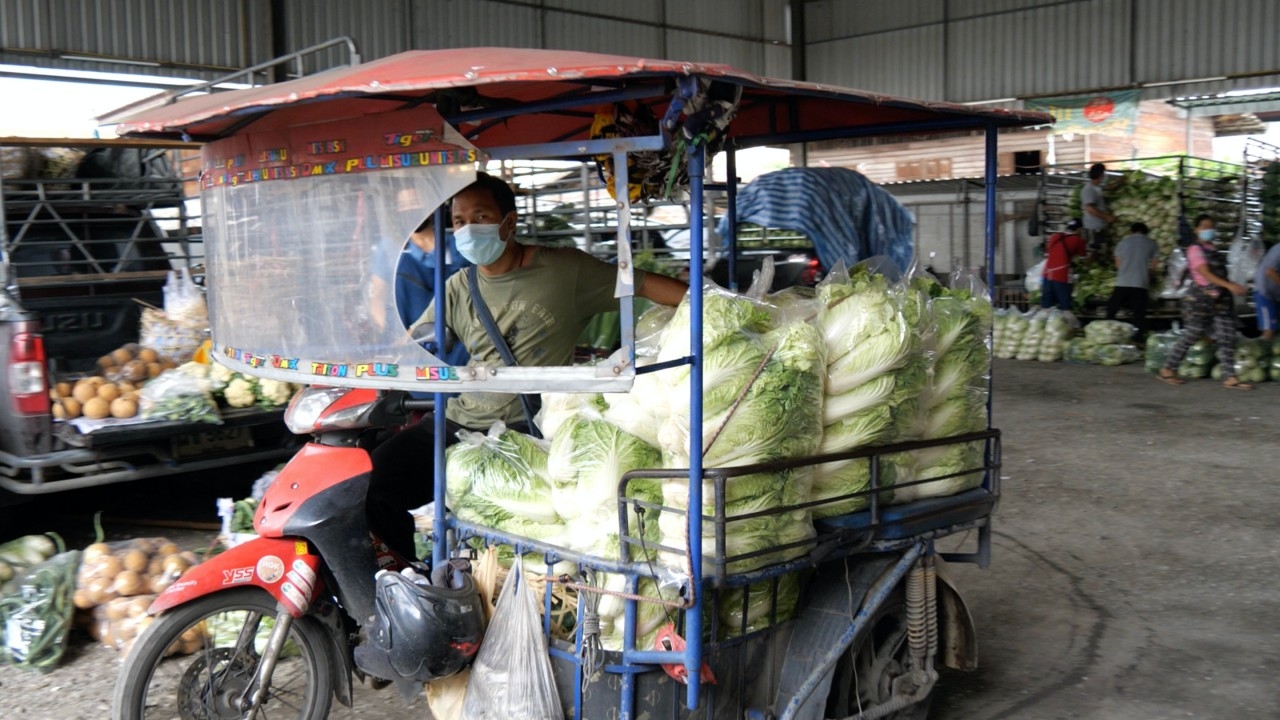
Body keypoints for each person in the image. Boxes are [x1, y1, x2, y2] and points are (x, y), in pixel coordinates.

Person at [366, 172, 689, 559]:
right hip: (459, 421)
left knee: (505, 528)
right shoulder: (458, 286)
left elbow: (645, 284)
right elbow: (414, 345)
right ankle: (406, 581)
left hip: (527, 429)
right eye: (458, 221)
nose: (468, 229)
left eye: (481, 216)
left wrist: (712, 305)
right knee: (372, 483)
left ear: (509, 221)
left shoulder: (564, 271)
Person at [1158, 214, 1251, 389]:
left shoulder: (1211, 247)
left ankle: (1230, 376)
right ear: (1196, 229)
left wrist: (1228, 287)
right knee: (1192, 333)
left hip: (1220, 299)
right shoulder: (1194, 250)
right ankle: (1168, 368)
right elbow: (1205, 273)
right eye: (1205, 227)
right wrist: (1230, 286)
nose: (1209, 230)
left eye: (1211, 227)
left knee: (1226, 335)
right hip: (1199, 299)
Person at [1105, 222, 1159, 340]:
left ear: (1131, 231)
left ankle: (1107, 333)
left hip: (1122, 283)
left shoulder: (1122, 243)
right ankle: (1137, 338)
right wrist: (1148, 275)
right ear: (1146, 232)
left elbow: (1118, 264)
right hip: (1140, 284)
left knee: (1112, 310)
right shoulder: (1152, 243)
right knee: (1138, 314)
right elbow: (1154, 267)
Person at [1041, 218, 1088, 312]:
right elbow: (1084, 260)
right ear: (1079, 229)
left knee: (1046, 306)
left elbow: (1049, 253)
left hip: (1047, 274)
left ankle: (1046, 323)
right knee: (1065, 305)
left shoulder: (1054, 236)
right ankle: (1069, 324)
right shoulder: (1078, 241)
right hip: (1061, 276)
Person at [1081, 163, 1116, 254]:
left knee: (1098, 251)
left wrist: (1120, 181)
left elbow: (1109, 187)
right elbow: (1090, 208)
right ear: (1100, 175)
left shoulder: (1097, 187)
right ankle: (1086, 267)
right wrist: (1106, 217)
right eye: (1104, 173)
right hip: (1093, 227)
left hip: (1098, 226)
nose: (1105, 176)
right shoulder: (1089, 189)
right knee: (1093, 252)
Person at [1254, 242, 1280, 342]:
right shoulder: (1279, 249)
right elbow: (1270, 271)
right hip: (1265, 292)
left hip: (1275, 293)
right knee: (1269, 328)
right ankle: (1262, 353)